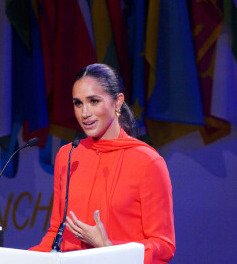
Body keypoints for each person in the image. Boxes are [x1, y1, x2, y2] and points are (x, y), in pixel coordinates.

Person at [30, 63, 175, 263]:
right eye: (78, 103)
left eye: (94, 101)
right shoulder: (68, 155)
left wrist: (107, 247)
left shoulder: (148, 162)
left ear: (117, 103)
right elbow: (56, 233)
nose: (84, 113)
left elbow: (163, 245)